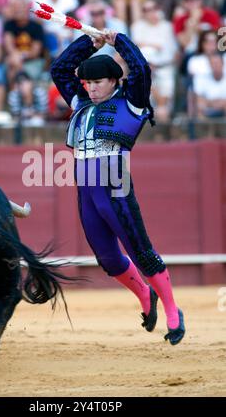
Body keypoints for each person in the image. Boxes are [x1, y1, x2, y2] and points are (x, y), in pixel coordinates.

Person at [51, 30, 185, 345]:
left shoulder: (132, 101)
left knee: (141, 251)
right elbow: (59, 69)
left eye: (97, 82)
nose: (91, 88)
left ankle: (173, 310)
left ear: (113, 81)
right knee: (108, 259)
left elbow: (141, 69)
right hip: (86, 190)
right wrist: (89, 43)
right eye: (87, 83)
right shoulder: (80, 101)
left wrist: (117, 40)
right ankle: (144, 295)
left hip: (116, 187)